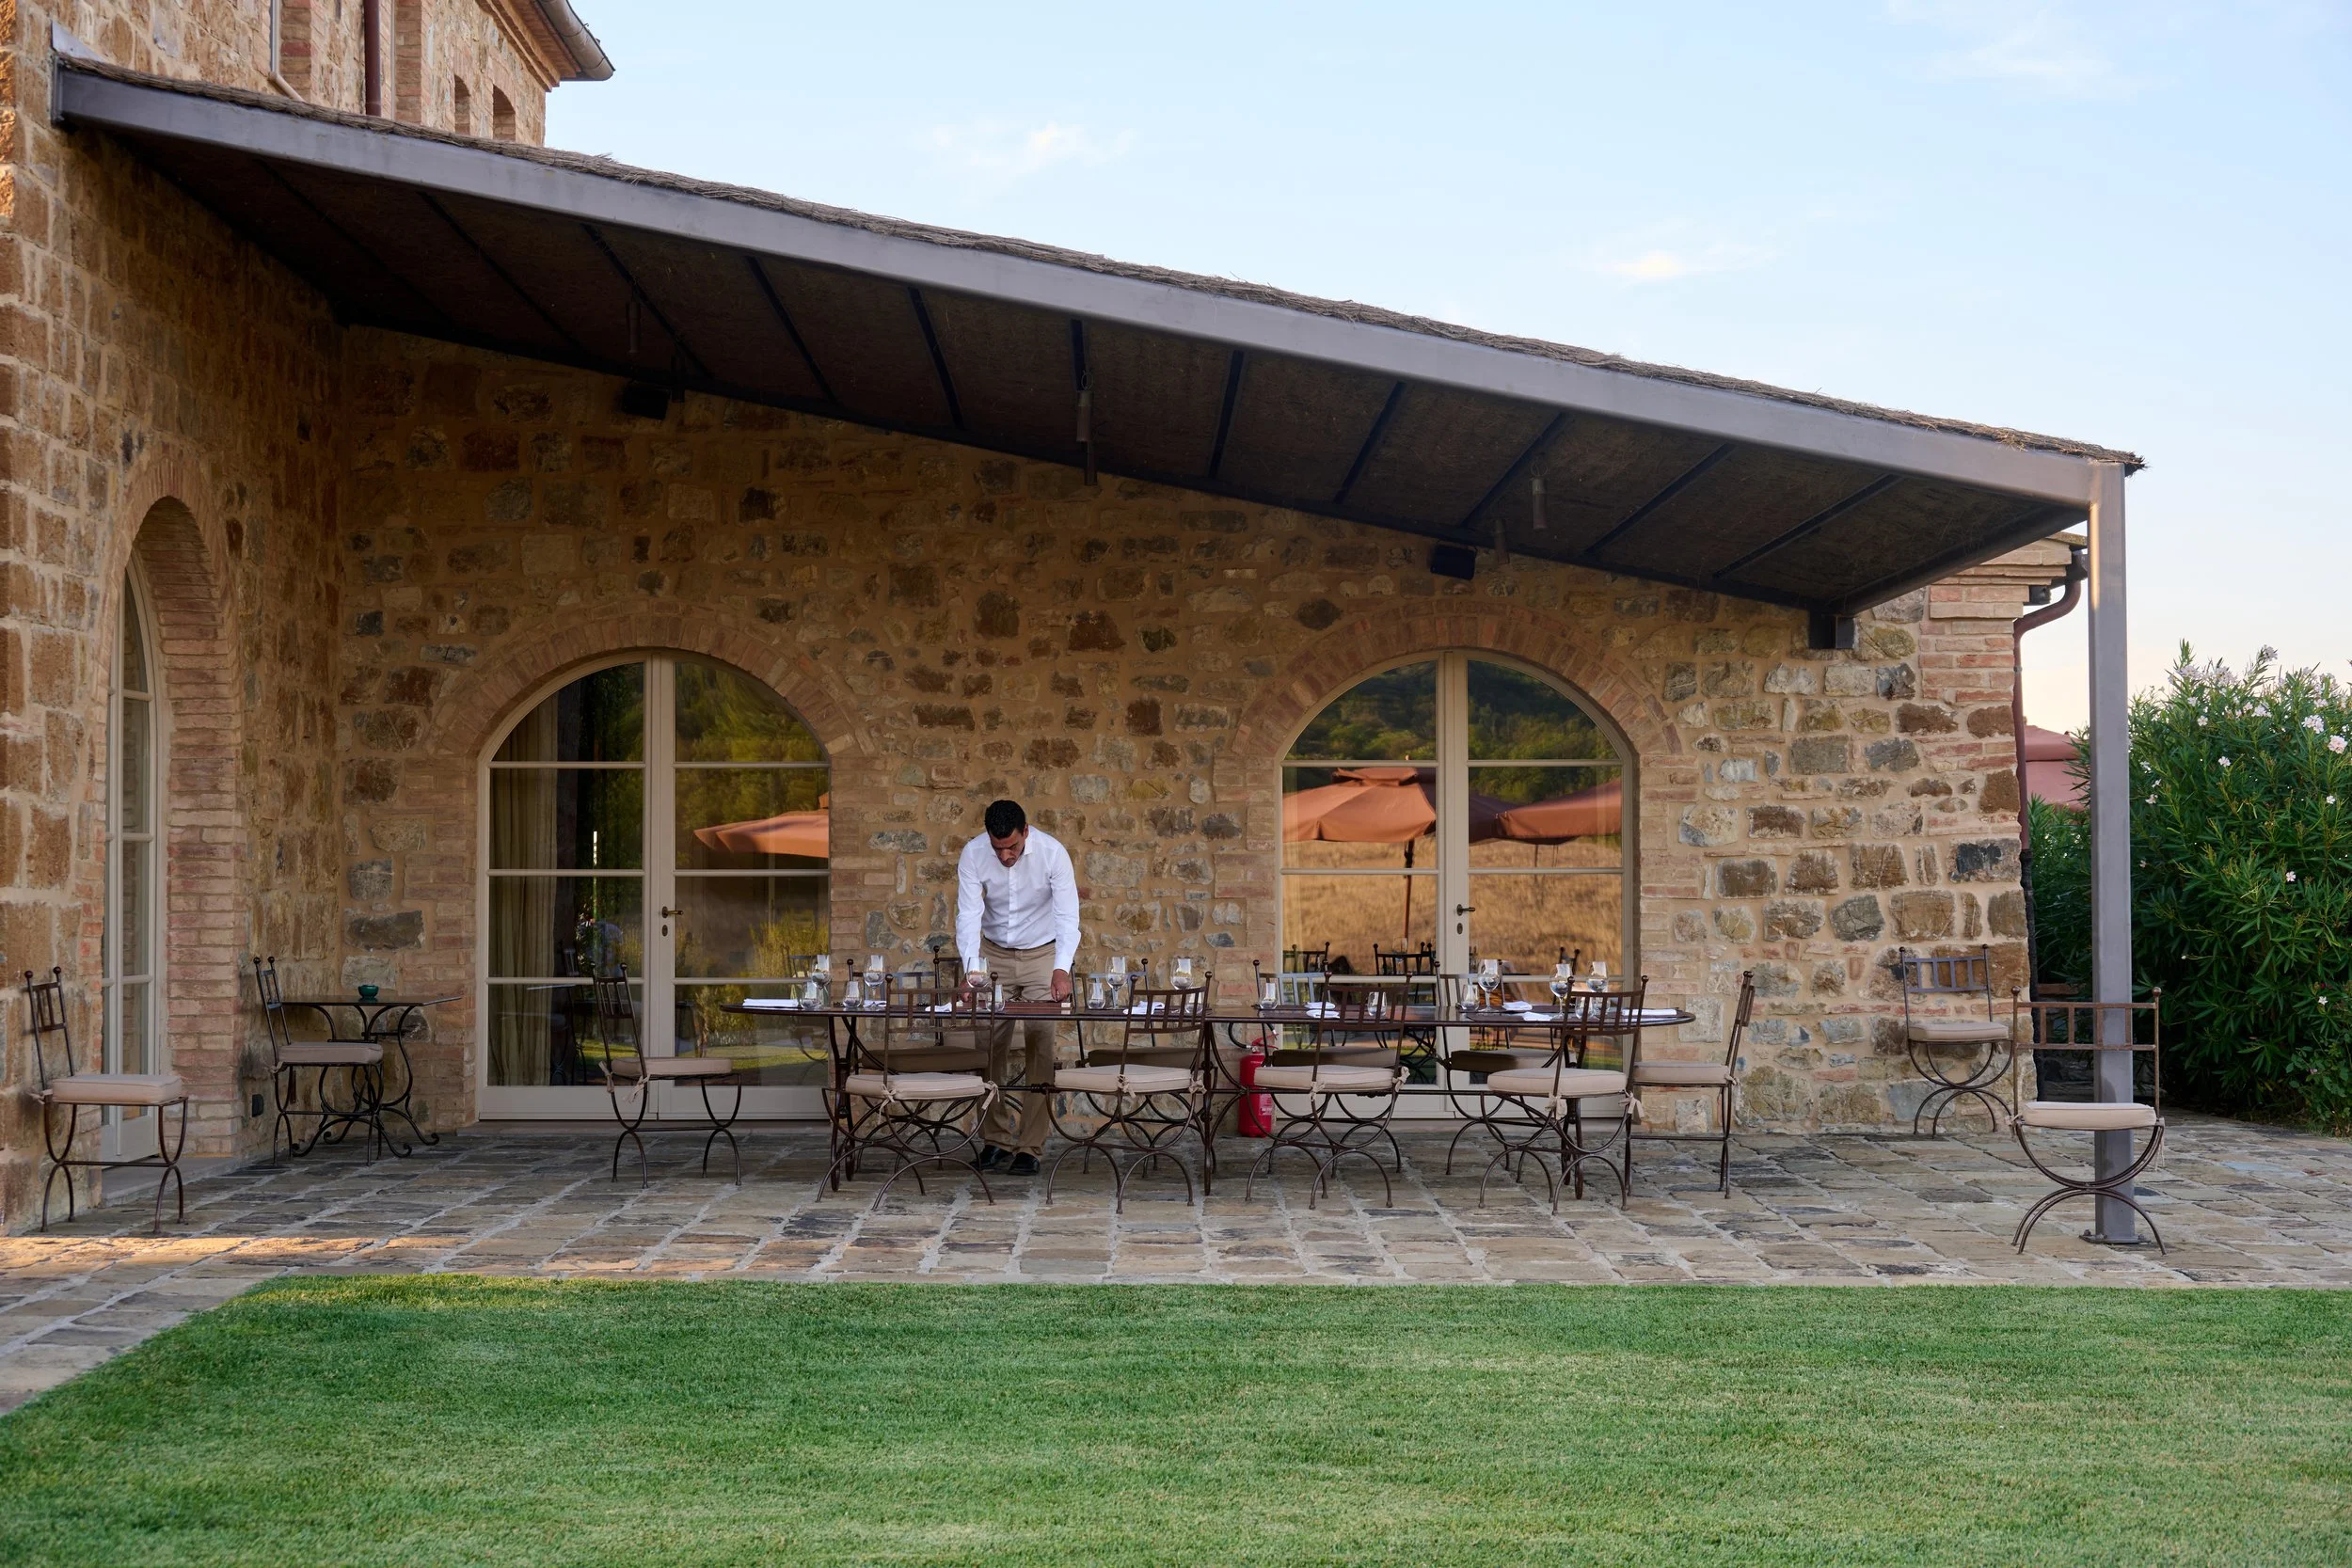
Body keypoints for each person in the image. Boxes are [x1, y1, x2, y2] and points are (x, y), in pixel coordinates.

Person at [955, 799, 1079, 1175]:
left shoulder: (1053, 854)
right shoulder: (974, 854)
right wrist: (971, 970)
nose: (1006, 855)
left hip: (1043, 953)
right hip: (994, 955)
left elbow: (1067, 915)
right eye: (999, 848)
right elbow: (969, 915)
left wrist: (1061, 969)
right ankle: (995, 1140)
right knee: (988, 1043)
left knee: (1041, 1043)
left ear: (1026, 831)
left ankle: (1030, 1146)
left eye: (1012, 846)